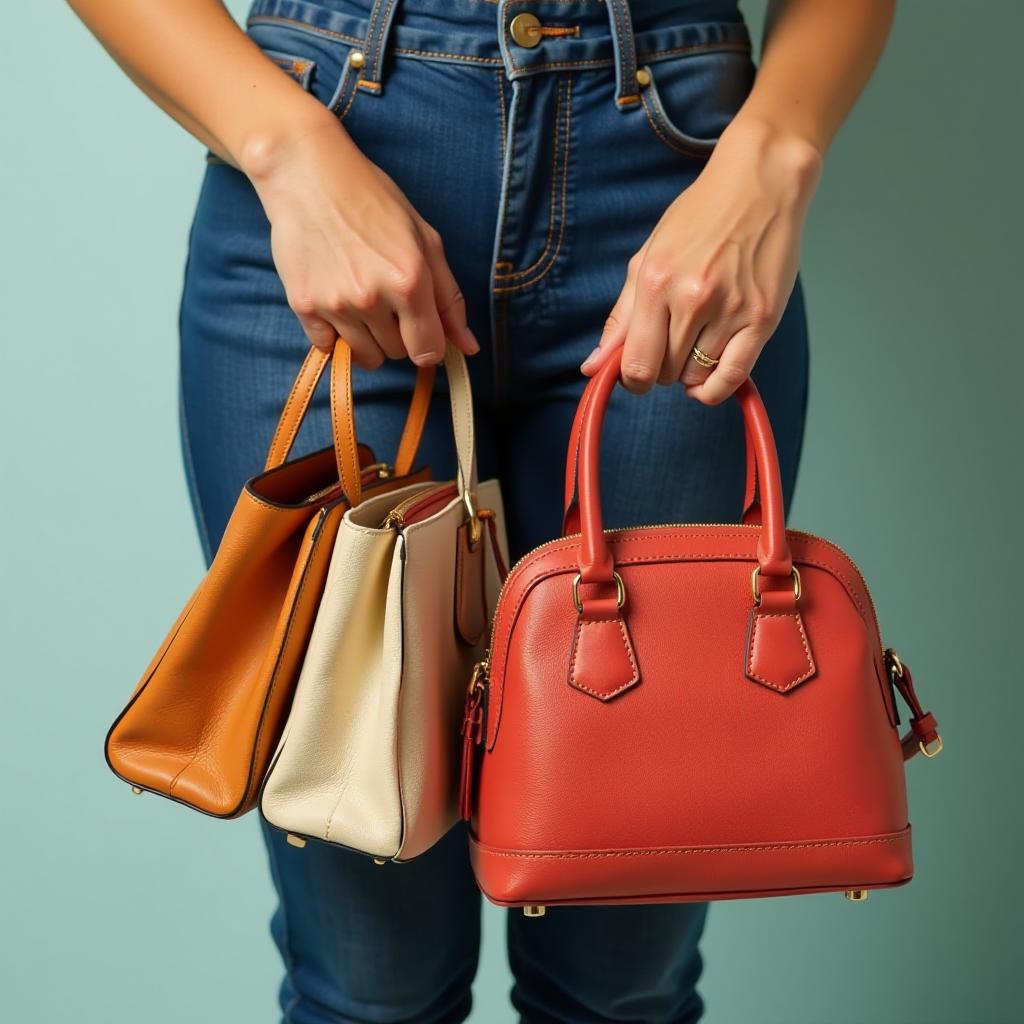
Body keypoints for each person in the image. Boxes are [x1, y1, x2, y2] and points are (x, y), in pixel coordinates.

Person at [69, 0, 894, 1020]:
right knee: (369, 979)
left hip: (679, 189)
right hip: (328, 172)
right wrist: (285, 151)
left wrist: (775, 158)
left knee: (620, 981)